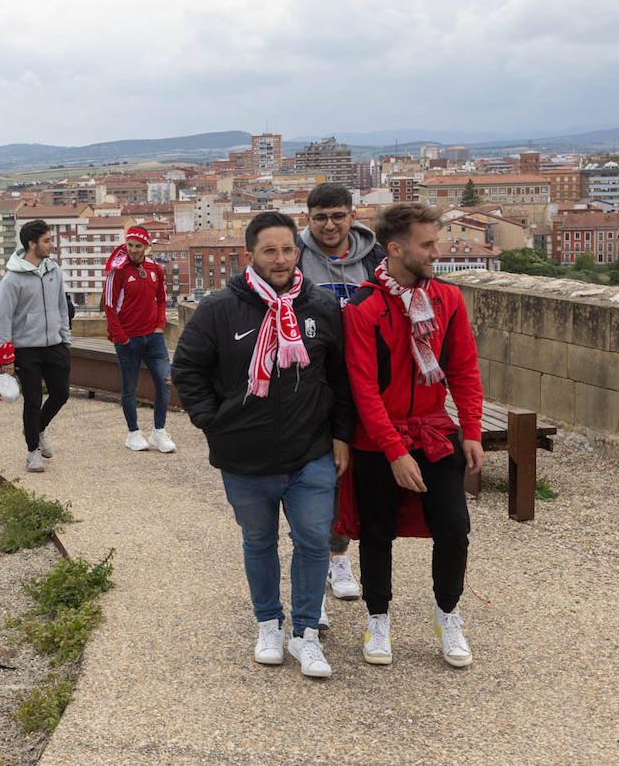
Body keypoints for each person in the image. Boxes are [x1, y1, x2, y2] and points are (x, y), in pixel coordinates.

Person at [172, 212, 355, 679]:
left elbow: (339, 376)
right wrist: (212, 422)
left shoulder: (319, 306)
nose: (280, 259)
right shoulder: (218, 309)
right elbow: (187, 369)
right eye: (270, 251)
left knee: (314, 542)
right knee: (259, 542)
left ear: (299, 252)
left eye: (288, 250)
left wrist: (340, 435)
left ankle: (306, 633)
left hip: (309, 450)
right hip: (245, 455)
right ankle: (268, 623)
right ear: (250, 254)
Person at [341, 202, 484, 669]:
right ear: (396, 248)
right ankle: (377, 619)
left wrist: (472, 429)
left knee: (454, 529)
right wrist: (394, 450)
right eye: (427, 244)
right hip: (378, 440)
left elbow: (463, 368)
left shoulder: (448, 299)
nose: (436, 252)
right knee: (377, 532)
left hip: (433, 430)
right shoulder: (364, 307)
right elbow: (363, 388)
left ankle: (448, 615)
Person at [297, 182, 387, 608]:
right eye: (320, 217)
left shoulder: (375, 257)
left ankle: (340, 554)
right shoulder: (295, 258)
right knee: (321, 474)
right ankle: (322, 561)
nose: (329, 225)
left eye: (337, 215)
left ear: (352, 215)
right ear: (308, 219)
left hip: (367, 380)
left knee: (358, 474)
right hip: (315, 382)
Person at [0, 219, 71, 473]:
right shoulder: (12, 279)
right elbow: (3, 318)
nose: (51, 244)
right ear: (32, 244)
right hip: (26, 349)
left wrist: (65, 338)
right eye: (47, 240)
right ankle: (32, 451)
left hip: (55, 344)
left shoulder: (54, 270)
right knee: (33, 400)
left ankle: (36, 429)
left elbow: (62, 306)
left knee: (61, 394)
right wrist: (6, 355)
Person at [104, 226, 174, 453]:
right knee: (130, 388)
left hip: (153, 338)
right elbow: (109, 305)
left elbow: (162, 298)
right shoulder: (118, 271)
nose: (133, 250)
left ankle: (158, 431)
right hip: (128, 340)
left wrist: (160, 325)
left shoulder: (155, 269)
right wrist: (121, 337)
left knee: (165, 382)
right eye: (130, 245)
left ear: (146, 246)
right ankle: (133, 432)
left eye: (138, 246)